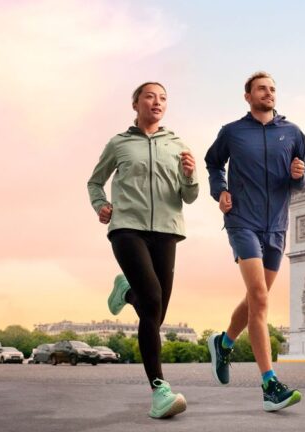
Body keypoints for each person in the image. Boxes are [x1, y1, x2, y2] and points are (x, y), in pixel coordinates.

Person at [87, 82, 198, 419]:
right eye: (150, 96)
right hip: (127, 228)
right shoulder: (118, 144)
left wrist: (190, 176)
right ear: (135, 103)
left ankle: (126, 291)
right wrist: (101, 205)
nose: (157, 102)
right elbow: (95, 181)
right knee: (152, 301)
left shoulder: (177, 145)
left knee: (156, 312)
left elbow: (189, 196)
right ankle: (159, 391)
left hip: (167, 231)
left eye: (163, 98)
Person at [204, 71, 305, 412]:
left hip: (277, 226)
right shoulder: (232, 132)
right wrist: (219, 190)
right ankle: (270, 385)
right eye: (262, 89)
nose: (269, 93)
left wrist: (300, 177)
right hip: (242, 222)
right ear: (247, 96)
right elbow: (212, 163)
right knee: (261, 297)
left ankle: (223, 343)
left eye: (272, 89)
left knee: (256, 298)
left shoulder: (292, 132)